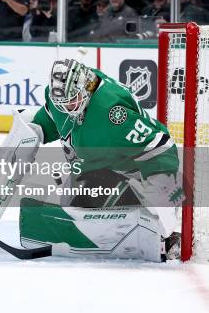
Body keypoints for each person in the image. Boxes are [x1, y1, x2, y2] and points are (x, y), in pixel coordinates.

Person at [15, 58, 181, 261]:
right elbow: (52, 117)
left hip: (130, 171)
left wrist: (161, 186)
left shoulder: (111, 112)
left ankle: (145, 213)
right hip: (94, 167)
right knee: (73, 201)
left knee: (91, 200)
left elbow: (159, 145)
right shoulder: (66, 96)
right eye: (63, 104)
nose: (68, 108)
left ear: (86, 88)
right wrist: (34, 131)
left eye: (72, 101)